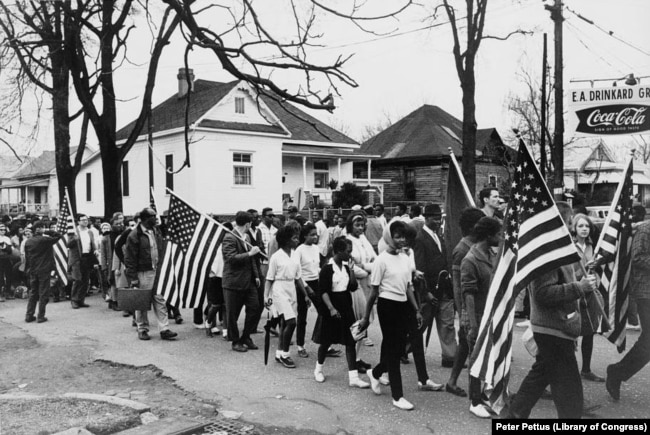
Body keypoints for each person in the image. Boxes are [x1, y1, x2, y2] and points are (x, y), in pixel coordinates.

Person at [505, 202, 597, 419]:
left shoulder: (559, 250)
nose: (572, 229)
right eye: (568, 223)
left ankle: (514, 416)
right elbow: (543, 294)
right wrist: (579, 287)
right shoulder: (547, 253)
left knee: (540, 376)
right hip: (553, 328)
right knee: (569, 391)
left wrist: (583, 283)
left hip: (558, 326)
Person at [359, 220, 422, 411]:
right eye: (397, 236)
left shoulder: (404, 257)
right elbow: (374, 291)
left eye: (403, 236)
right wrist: (365, 317)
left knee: (399, 349)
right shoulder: (381, 260)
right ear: (389, 237)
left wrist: (417, 309)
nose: (401, 239)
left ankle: (375, 372)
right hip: (387, 306)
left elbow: (408, 287)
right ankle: (397, 396)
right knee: (394, 351)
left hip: (403, 305)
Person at [313, 236, 369, 388]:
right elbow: (323, 291)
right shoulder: (327, 268)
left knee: (350, 341)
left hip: (345, 305)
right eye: (347, 251)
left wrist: (351, 270)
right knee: (326, 341)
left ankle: (353, 377)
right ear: (338, 251)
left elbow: (352, 286)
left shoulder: (345, 267)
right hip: (332, 306)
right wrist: (331, 308)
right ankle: (318, 369)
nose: (350, 255)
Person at [606, 209, 650, 401]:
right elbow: (638, 257)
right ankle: (617, 372)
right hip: (646, 292)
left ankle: (618, 372)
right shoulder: (646, 229)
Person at [461, 217, 501, 418]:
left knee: (487, 357)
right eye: (498, 234)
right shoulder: (471, 259)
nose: (500, 237)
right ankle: (474, 400)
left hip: (488, 313)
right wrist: (473, 325)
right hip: (476, 316)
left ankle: (483, 394)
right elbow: (468, 293)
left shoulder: (489, 254)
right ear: (488, 235)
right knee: (475, 358)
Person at [446, 207, 485, 397]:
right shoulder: (462, 249)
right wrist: (462, 312)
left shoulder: (477, 244)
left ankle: (452, 381)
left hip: (478, 302)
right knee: (468, 343)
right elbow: (457, 285)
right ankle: (473, 391)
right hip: (467, 305)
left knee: (464, 344)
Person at [413, 204, 457, 368]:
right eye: (435, 218)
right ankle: (403, 349)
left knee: (447, 323)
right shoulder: (419, 238)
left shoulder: (440, 236)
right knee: (422, 323)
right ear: (426, 218)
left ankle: (450, 356)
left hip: (444, 287)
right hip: (429, 289)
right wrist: (426, 293)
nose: (438, 221)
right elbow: (420, 269)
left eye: (440, 218)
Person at [124, 207, 177, 341]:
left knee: (160, 299)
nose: (156, 218)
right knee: (141, 301)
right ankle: (142, 329)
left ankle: (164, 328)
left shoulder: (155, 230)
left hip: (156, 271)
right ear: (145, 219)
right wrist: (133, 278)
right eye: (153, 216)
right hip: (143, 272)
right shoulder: (135, 235)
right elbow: (129, 258)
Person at [265, 225, 311, 368]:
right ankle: (285, 354)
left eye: (298, 237)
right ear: (285, 240)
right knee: (292, 322)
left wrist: (306, 295)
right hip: (279, 290)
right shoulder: (276, 257)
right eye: (294, 238)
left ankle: (279, 353)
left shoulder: (296, 254)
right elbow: (269, 278)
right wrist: (266, 296)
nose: (297, 240)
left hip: (291, 288)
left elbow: (298, 278)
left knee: (285, 323)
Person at [571, 213, 605, 383]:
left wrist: (597, 267)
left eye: (586, 226)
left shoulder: (593, 247)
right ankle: (567, 370)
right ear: (574, 228)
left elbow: (598, 272)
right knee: (571, 333)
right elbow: (568, 275)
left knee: (589, 332)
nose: (584, 229)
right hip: (574, 294)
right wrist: (583, 268)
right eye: (580, 226)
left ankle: (586, 369)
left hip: (590, 294)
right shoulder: (570, 247)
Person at [222, 211, 261, 352]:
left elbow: (252, 261)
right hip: (233, 281)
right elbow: (230, 258)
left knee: (254, 307)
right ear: (248, 224)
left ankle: (246, 336)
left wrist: (256, 275)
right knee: (233, 313)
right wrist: (250, 253)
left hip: (249, 280)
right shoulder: (229, 237)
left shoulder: (247, 237)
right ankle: (235, 341)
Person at [346, 211, 376, 368]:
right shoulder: (347, 240)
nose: (360, 227)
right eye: (356, 225)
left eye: (362, 224)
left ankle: (357, 357)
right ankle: (353, 359)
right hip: (355, 284)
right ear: (350, 225)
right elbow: (349, 265)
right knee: (359, 321)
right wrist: (366, 270)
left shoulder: (364, 239)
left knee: (366, 320)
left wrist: (366, 267)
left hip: (367, 282)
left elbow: (375, 259)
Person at [24, 221, 61, 323]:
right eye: (42, 227)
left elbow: (27, 258)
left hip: (33, 270)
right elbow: (58, 236)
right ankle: (41, 316)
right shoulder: (45, 240)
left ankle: (29, 315)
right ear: (39, 229)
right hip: (44, 270)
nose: (44, 229)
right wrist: (49, 231)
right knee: (43, 293)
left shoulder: (28, 242)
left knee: (33, 293)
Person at [294, 223, 321, 358]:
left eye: (316, 234)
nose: (315, 237)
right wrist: (306, 288)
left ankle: (323, 342)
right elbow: (297, 273)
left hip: (316, 282)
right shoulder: (299, 250)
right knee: (302, 316)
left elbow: (317, 268)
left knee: (323, 312)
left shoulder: (316, 248)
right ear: (305, 236)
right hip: (303, 285)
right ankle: (300, 346)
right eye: (312, 235)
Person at [69, 214, 97, 309]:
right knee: (77, 279)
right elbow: (67, 244)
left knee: (85, 280)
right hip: (77, 259)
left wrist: (95, 250)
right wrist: (74, 239)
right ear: (78, 222)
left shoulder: (90, 232)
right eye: (83, 220)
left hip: (87, 257)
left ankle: (81, 300)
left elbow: (92, 243)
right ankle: (74, 300)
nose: (85, 221)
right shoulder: (73, 232)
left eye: (86, 220)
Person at [0, 224, 14, 302]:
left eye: (4, 230)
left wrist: (5, 247)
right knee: (0, 277)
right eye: (1, 230)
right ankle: (0, 294)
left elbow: (10, 250)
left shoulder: (7, 238)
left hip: (7, 259)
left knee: (9, 275)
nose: (2, 231)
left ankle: (7, 292)